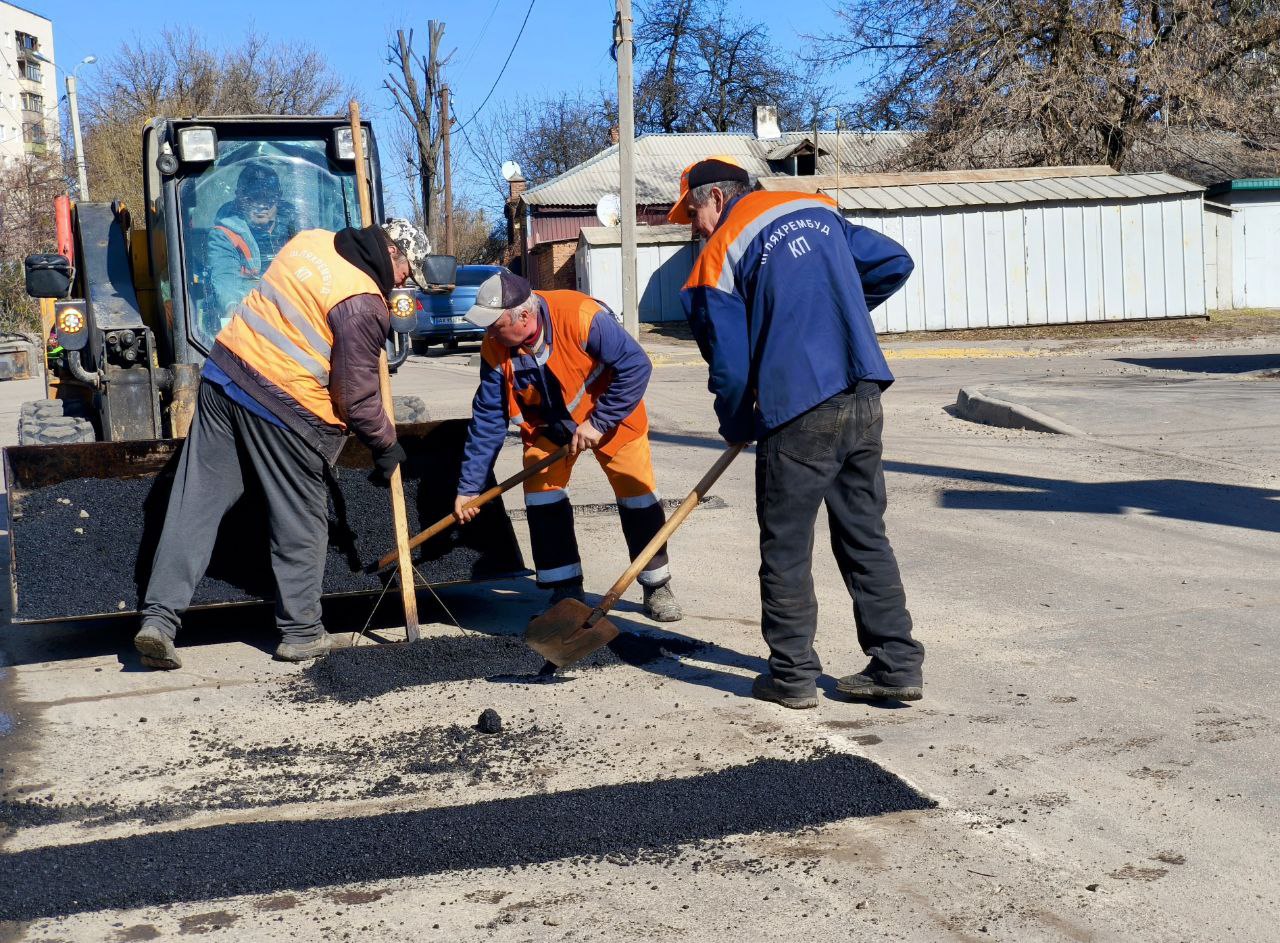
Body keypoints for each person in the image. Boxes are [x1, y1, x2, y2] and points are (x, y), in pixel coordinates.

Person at [672, 155, 925, 708]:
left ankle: (791, 677)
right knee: (865, 535)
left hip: (797, 411)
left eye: (692, 213)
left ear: (717, 199)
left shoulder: (719, 255)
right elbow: (894, 262)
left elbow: (730, 368)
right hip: (862, 392)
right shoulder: (817, 208)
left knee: (785, 546)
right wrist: (834, 310)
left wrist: (737, 423)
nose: (693, 228)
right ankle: (897, 665)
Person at [132, 218, 434, 670]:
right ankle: (302, 633)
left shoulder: (311, 241)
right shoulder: (363, 302)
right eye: (409, 269)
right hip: (285, 405)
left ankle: (158, 621)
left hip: (224, 377)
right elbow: (354, 397)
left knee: (194, 505)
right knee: (302, 521)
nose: (406, 280)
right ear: (392, 251)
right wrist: (385, 445)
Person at [452, 270, 682, 622]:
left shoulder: (580, 316)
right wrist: (470, 488)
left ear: (524, 316)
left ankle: (656, 584)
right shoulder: (494, 347)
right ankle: (565, 591)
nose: (489, 334)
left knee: (637, 494)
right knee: (542, 496)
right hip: (550, 426)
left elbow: (636, 365)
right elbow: (488, 418)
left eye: (495, 325)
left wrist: (599, 422)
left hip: (613, 417)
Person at [206, 164, 298, 323]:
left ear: (279, 197)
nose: (262, 205)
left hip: (294, 311)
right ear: (239, 197)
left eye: (269, 197)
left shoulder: (298, 228)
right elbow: (225, 277)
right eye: (253, 197)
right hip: (250, 315)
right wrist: (232, 308)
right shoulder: (224, 235)